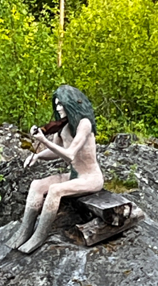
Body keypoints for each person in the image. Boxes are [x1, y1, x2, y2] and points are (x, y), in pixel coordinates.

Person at [8, 84, 103, 254]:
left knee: (55, 190)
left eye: (62, 104)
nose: (58, 108)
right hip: (74, 175)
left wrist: (44, 140)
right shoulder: (63, 127)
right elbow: (54, 152)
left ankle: (39, 235)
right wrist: (37, 156)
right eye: (57, 104)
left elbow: (69, 155)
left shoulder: (84, 124)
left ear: (72, 104)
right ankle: (24, 231)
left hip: (90, 178)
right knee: (36, 185)